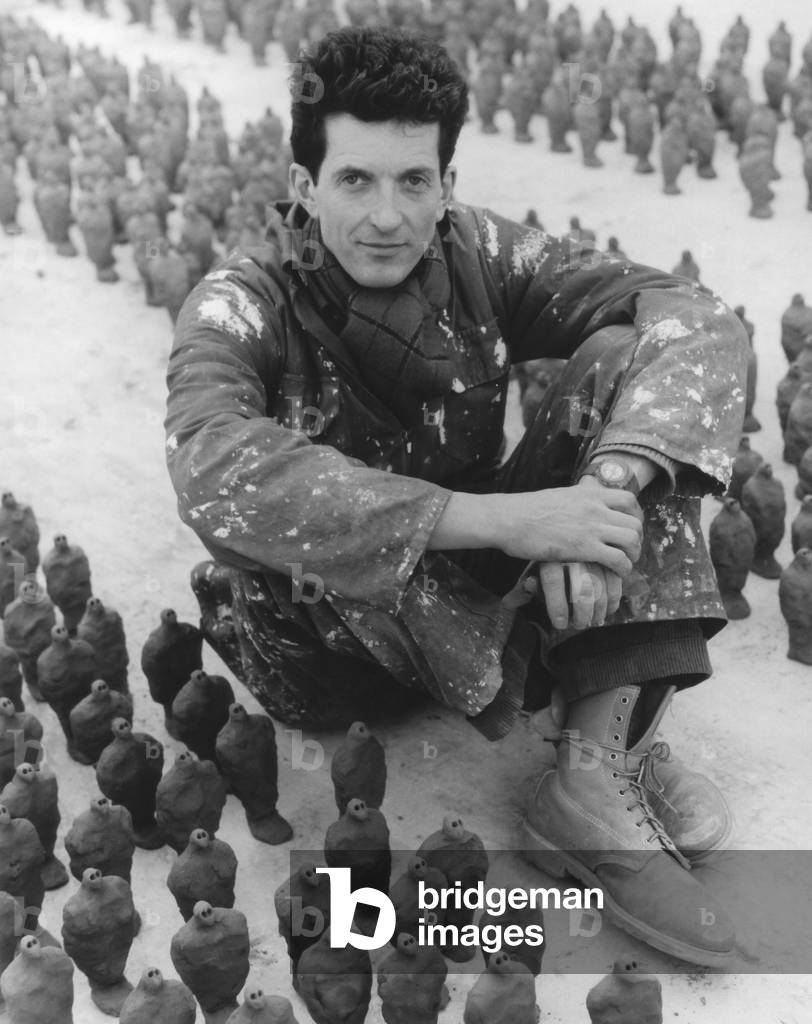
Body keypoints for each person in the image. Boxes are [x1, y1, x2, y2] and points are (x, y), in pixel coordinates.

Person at [164, 27, 748, 967]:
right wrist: (517, 520)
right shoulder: (245, 300)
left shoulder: (479, 252)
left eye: (414, 181)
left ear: (445, 185)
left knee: (623, 369)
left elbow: (693, 315)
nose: (386, 216)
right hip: (334, 637)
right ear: (306, 188)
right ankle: (602, 697)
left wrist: (601, 493)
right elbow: (214, 468)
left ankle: (597, 769)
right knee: (301, 528)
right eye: (355, 180)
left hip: (474, 580)